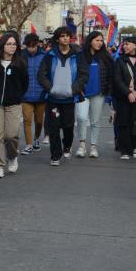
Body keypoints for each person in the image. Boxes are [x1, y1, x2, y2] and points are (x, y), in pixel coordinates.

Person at [37, 27, 89, 166]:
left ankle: (67, 146)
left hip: (69, 98)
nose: (65, 38)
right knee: (53, 127)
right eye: (62, 36)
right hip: (53, 98)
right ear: (58, 38)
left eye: (67, 36)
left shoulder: (78, 54)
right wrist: (50, 88)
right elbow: (41, 74)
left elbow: (84, 74)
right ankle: (55, 155)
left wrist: (74, 89)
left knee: (68, 126)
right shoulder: (50, 55)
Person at [0, 31, 28, 178]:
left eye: (14, 44)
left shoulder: (21, 63)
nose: (12, 47)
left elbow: (25, 84)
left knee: (11, 135)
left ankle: (12, 156)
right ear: (2, 45)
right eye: (9, 44)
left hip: (14, 104)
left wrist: (17, 96)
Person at [75, 31, 114, 158]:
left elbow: (110, 76)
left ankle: (93, 146)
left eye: (101, 41)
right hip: (82, 93)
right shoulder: (80, 56)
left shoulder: (106, 57)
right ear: (90, 40)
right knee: (81, 117)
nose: (99, 43)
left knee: (95, 121)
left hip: (99, 93)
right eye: (97, 40)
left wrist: (109, 95)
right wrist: (77, 88)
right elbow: (75, 73)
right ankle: (81, 145)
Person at [113, 36, 136, 160]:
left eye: (127, 44)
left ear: (135, 45)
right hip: (123, 97)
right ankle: (124, 149)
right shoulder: (120, 60)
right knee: (123, 122)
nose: (124, 46)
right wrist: (128, 93)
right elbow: (117, 79)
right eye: (124, 44)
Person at [20, 33, 46, 154]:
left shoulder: (45, 56)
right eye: (29, 46)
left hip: (41, 94)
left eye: (33, 46)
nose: (31, 49)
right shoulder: (21, 57)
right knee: (27, 120)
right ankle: (29, 144)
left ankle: (36, 139)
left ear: (37, 44)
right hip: (25, 95)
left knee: (39, 121)